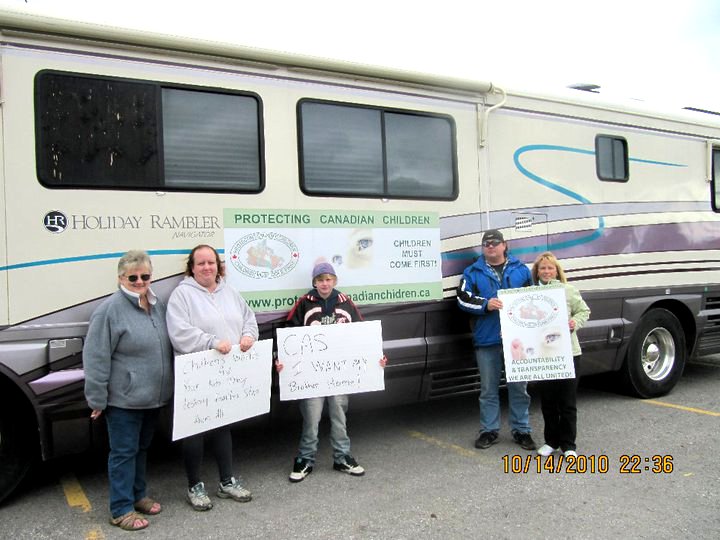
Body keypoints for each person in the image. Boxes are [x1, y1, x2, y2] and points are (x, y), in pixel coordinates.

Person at [84, 250, 173, 531]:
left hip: (152, 397)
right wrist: (97, 398)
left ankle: (138, 496)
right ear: (121, 278)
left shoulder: (156, 304)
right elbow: (96, 356)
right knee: (123, 453)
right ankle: (120, 509)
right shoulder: (109, 310)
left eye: (145, 276)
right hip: (124, 400)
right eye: (132, 277)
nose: (139, 281)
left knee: (141, 449)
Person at [166, 244, 259, 511]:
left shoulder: (229, 292)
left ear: (218, 265)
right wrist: (212, 342)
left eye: (211, 262)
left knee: (222, 427)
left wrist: (248, 336)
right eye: (201, 263)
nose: (207, 267)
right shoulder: (181, 295)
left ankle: (226, 481)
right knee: (194, 430)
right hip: (196, 374)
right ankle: (194, 485)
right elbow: (179, 333)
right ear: (192, 268)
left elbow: (248, 319)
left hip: (225, 374)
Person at [275, 262, 387, 483]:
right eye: (320, 280)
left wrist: (376, 359)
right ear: (314, 282)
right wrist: (281, 360)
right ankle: (305, 458)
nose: (324, 284)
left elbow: (363, 335)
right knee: (312, 417)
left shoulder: (346, 302)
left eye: (328, 279)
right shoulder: (304, 303)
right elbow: (289, 334)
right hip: (311, 376)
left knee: (339, 414)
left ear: (334, 281)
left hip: (339, 375)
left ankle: (342, 456)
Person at [456, 229, 536, 450]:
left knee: (519, 387)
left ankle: (522, 430)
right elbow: (463, 299)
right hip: (487, 340)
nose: (490, 246)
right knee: (488, 389)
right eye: (486, 244)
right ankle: (489, 431)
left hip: (517, 341)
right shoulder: (472, 272)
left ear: (504, 245)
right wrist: (485, 304)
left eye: (495, 243)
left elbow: (533, 300)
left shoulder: (522, 270)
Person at [531, 251, 590, 458]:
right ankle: (551, 441)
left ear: (557, 271)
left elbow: (584, 311)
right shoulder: (529, 294)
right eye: (542, 268)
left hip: (568, 353)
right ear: (537, 272)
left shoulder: (568, 290)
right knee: (548, 401)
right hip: (544, 355)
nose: (546, 271)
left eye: (550, 268)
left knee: (567, 402)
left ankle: (568, 445)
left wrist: (575, 323)